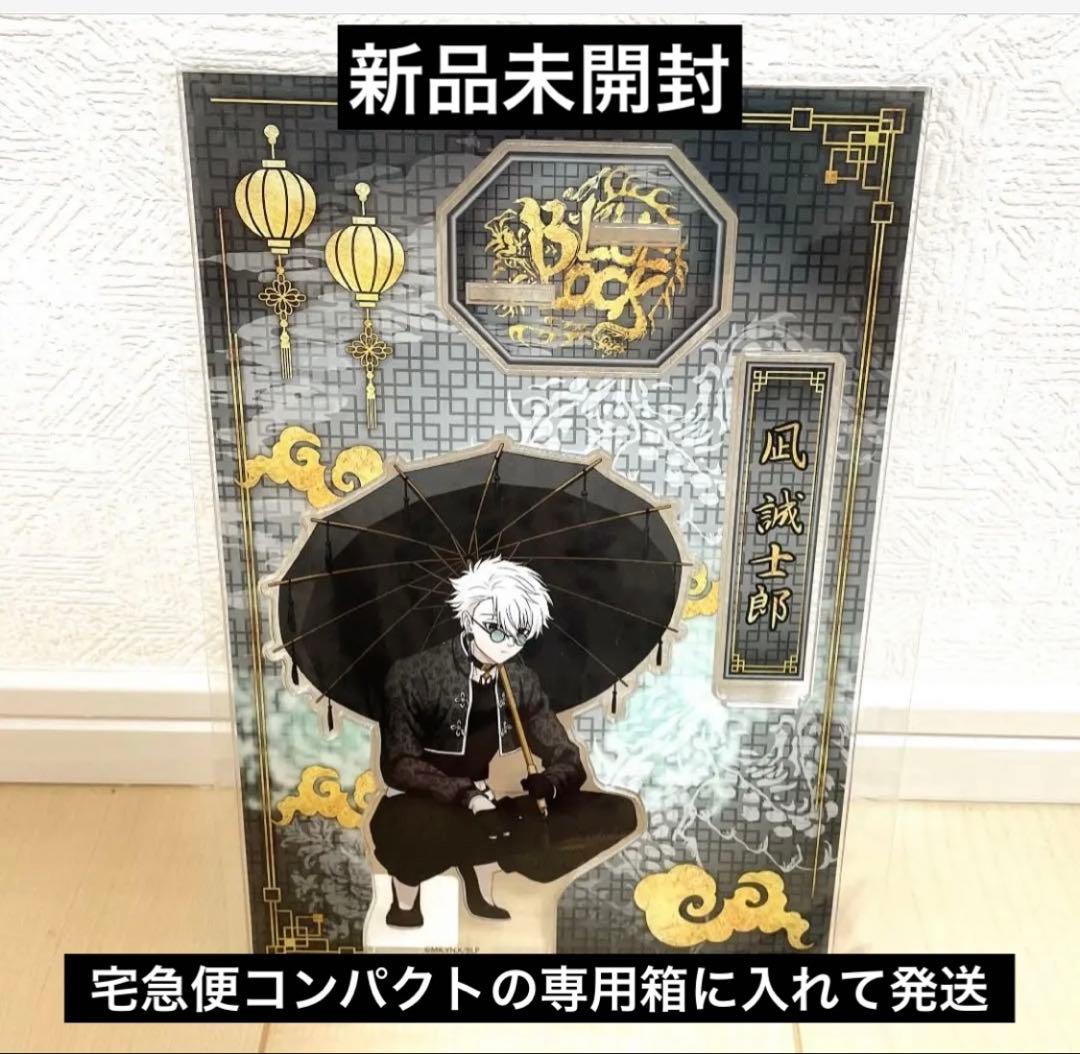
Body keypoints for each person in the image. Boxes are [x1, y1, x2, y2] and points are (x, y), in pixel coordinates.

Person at [369, 556, 638, 926]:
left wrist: (551, 783)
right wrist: (468, 796)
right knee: (423, 828)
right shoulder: (414, 675)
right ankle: (406, 900)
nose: (506, 644)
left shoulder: (520, 680)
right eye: (496, 629)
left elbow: (565, 755)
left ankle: (483, 871)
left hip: (486, 806)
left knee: (615, 812)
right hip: (419, 802)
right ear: (468, 617)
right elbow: (400, 764)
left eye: (519, 634)